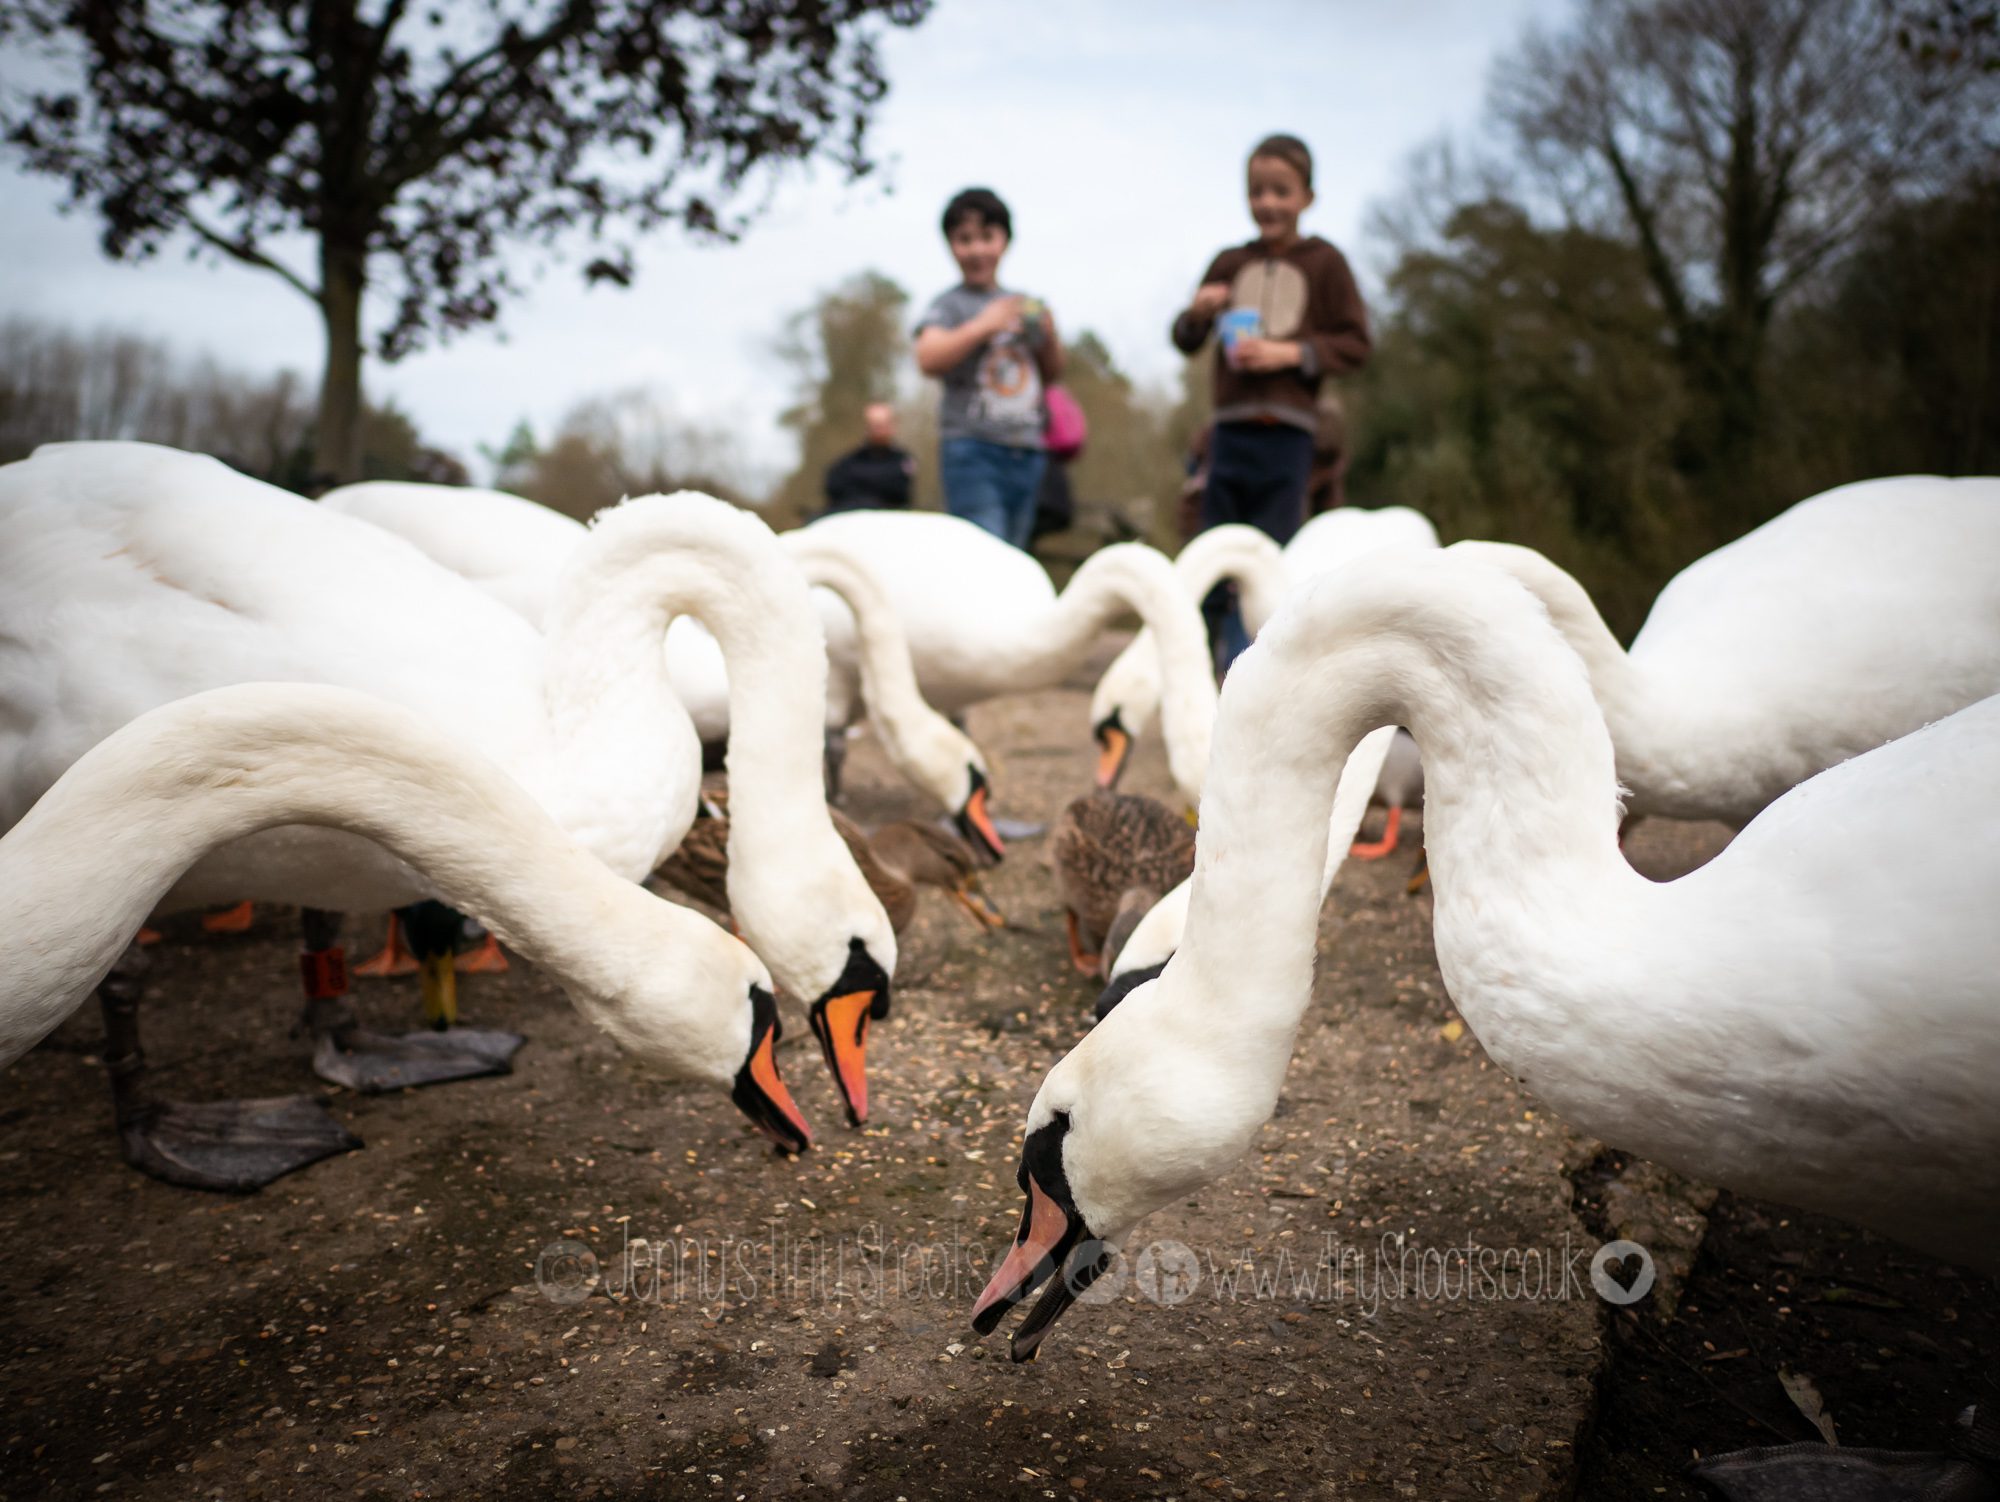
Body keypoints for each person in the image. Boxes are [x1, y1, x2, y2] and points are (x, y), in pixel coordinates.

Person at [1171, 132, 1370, 671]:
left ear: (1307, 196)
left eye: (1281, 191)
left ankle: (1261, 671)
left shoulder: (1326, 263)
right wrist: (1198, 312)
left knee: (1272, 558)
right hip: (1230, 433)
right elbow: (1185, 338)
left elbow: (1356, 344)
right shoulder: (1229, 262)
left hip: (1289, 438)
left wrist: (1290, 354)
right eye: (1257, 192)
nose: (1268, 204)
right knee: (1213, 553)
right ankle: (1203, 665)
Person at [913, 187, 1064, 550]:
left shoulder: (1023, 304)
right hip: (972, 451)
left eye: (987, 237)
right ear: (950, 246)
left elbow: (1053, 374)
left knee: (1016, 557)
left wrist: (1049, 337)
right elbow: (927, 357)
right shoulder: (950, 306)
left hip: (1028, 451)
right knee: (985, 557)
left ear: (1005, 242)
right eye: (965, 240)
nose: (977, 249)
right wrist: (983, 326)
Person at [821, 401, 914, 515]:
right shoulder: (849, 461)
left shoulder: (902, 459)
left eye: (882, 424)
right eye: (874, 424)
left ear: (892, 425)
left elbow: (898, 490)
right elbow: (834, 486)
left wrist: (860, 482)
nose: (878, 429)